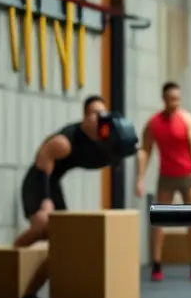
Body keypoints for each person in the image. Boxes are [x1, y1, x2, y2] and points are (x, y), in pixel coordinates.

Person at [14, 95, 120, 247]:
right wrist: (46, 199)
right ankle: (10, 257)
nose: (100, 118)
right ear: (85, 116)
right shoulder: (65, 141)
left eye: (103, 114)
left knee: (62, 231)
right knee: (42, 228)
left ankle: (56, 268)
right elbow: (42, 157)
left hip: (54, 183)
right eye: (95, 113)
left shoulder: (100, 139)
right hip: (37, 183)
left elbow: (98, 161)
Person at [136, 82, 191, 282]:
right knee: (160, 221)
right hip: (166, 177)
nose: (175, 103)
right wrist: (140, 179)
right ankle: (157, 266)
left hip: (188, 176)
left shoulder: (187, 120)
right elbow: (145, 150)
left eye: (178, 99)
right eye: (171, 99)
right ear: (164, 99)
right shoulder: (154, 123)